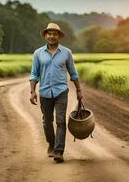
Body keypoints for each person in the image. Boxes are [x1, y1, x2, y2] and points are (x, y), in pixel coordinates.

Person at [29, 22, 83, 163]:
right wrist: (32, 91)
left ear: (59, 36)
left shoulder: (66, 53)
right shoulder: (38, 53)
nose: (52, 36)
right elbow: (34, 74)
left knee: (60, 121)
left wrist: (78, 89)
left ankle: (59, 151)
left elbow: (73, 73)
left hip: (61, 91)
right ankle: (51, 144)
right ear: (45, 36)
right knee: (47, 122)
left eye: (55, 34)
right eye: (49, 34)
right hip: (45, 92)